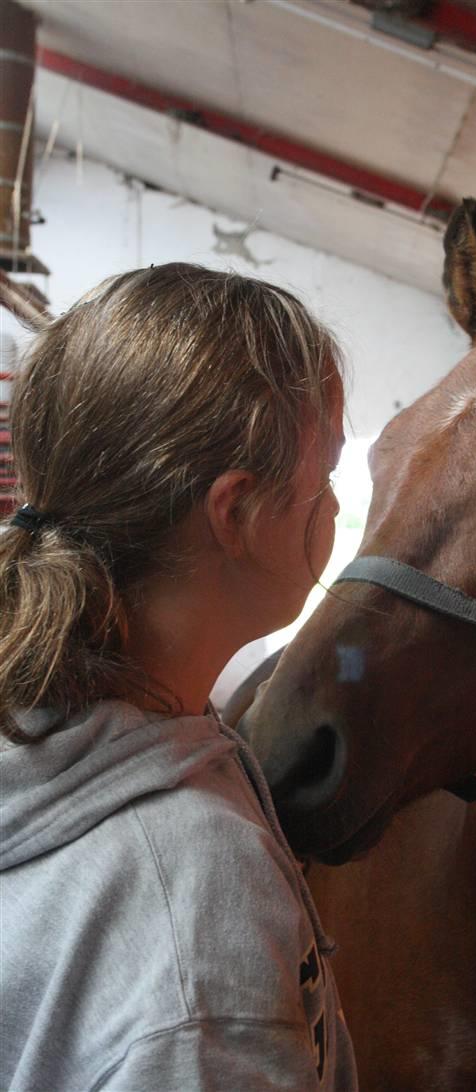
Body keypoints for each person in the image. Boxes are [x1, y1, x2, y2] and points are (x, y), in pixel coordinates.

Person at [0, 265, 358, 1091]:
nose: (335, 507)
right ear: (236, 514)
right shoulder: (197, 906)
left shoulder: (58, 722)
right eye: (326, 477)